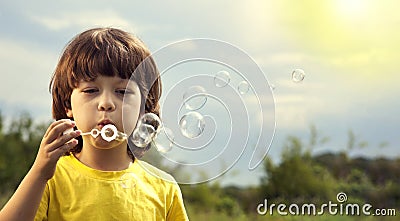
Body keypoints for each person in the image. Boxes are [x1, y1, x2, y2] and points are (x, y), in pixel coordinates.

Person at [0, 27, 189, 221]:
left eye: (122, 92)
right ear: (67, 104)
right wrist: (39, 174)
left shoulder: (164, 187)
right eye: (91, 90)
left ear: (143, 107)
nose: (106, 103)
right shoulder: (51, 178)